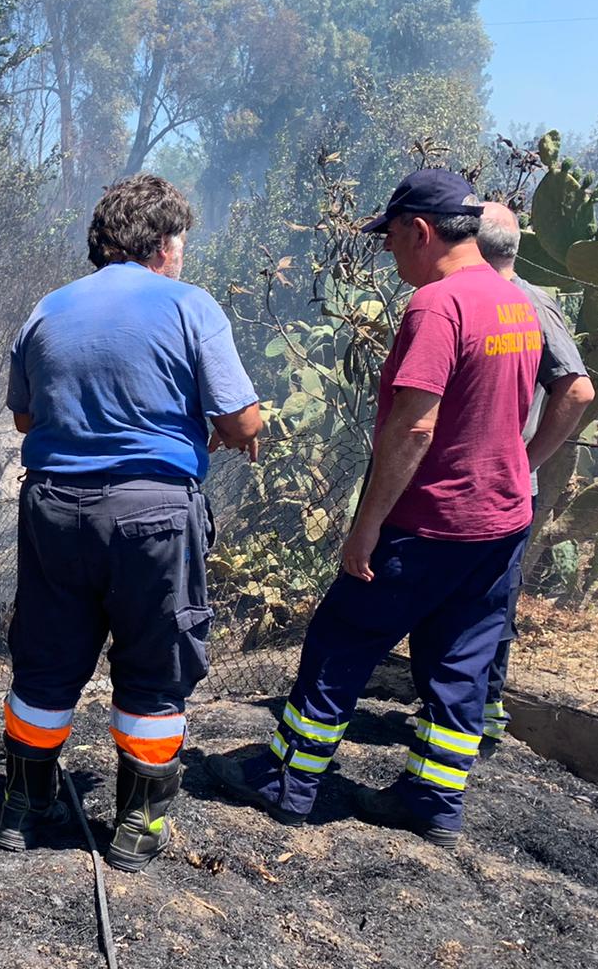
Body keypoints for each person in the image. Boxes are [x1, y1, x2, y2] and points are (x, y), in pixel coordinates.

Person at [210, 169, 574, 848]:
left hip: (430, 519)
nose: (391, 255)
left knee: (340, 639)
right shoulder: (516, 301)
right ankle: (435, 798)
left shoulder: (439, 306)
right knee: (462, 660)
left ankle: (291, 778)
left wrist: (368, 525)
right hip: (499, 521)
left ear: (421, 230)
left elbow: (414, 426)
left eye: (392, 240)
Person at [0, 173, 261, 870]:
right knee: (153, 665)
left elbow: (26, 416)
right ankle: (137, 828)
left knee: (47, 659)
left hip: (54, 510)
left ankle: (22, 808)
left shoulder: (46, 311)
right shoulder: (190, 307)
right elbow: (242, 418)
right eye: (182, 242)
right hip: (152, 517)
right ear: (166, 244)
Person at [476, 203, 595, 751]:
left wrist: (527, 461)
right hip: (469, 486)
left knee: (491, 603)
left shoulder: (529, 301)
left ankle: (484, 711)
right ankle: (462, 710)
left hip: (503, 485)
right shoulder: (469, 297)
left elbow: (576, 389)